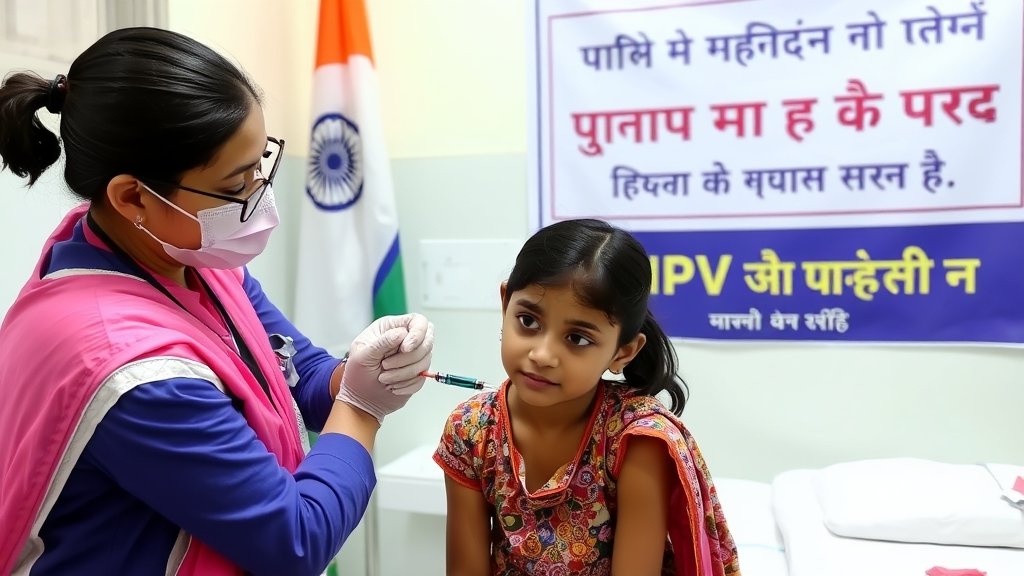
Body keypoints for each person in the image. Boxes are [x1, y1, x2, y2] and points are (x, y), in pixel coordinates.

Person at [0, 28, 433, 576]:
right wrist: (362, 409)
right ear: (133, 196)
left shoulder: (180, 259)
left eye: (261, 164)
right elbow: (295, 541)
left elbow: (293, 372)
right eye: (234, 187)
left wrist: (357, 373)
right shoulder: (134, 371)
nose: (258, 195)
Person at [434, 219, 741, 576]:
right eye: (529, 321)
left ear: (622, 352)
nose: (542, 354)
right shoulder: (470, 430)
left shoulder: (636, 439)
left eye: (577, 339)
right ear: (506, 304)